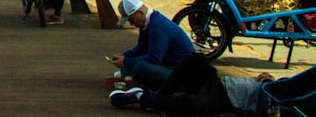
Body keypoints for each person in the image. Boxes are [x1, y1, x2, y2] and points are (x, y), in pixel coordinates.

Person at [108, 53, 273, 115]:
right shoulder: (277, 86)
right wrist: (267, 79)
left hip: (224, 99)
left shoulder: (277, 105)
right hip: (220, 83)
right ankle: (161, 95)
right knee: (198, 59)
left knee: (193, 103)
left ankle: (141, 97)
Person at [110, 0, 195, 90]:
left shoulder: (157, 25)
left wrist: (126, 61)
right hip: (168, 66)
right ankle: (132, 78)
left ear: (140, 13)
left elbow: (154, 58)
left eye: (131, 19)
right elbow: (142, 48)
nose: (131, 24)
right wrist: (125, 56)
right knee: (130, 66)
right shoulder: (147, 23)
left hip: (179, 74)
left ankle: (135, 82)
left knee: (139, 67)